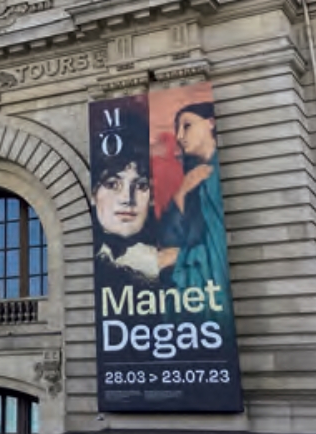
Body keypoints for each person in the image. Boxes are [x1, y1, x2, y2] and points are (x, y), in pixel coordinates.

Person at [157, 102, 234, 328]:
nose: (180, 136)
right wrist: (181, 192)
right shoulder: (193, 178)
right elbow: (170, 235)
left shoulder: (215, 175)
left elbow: (218, 246)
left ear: (211, 123)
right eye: (177, 130)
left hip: (206, 291)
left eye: (187, 126)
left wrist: (178, 257)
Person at [92, 112, 161, 290]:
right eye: (113, 184)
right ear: (93, 194)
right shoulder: (99, 259)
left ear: (152, 198)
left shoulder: (173, 268)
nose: (127, 200)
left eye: (141, 186)